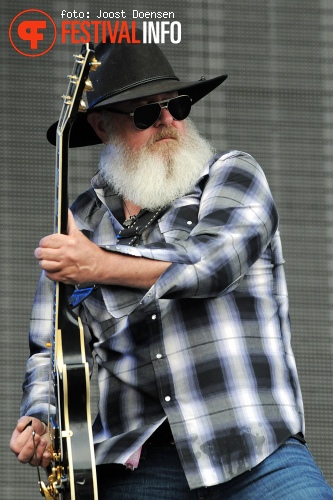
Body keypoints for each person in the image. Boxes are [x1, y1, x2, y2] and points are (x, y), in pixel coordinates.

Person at [10, 29, 333, 499]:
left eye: (176, 106)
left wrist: (98, 265)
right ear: (101, 126)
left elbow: (211, 264)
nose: (167, 121)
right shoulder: (79, 222)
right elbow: (52, 347)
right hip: (138, 458)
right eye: (145, 112)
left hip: (252, 443)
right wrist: (40, 416)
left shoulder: (232, 174)